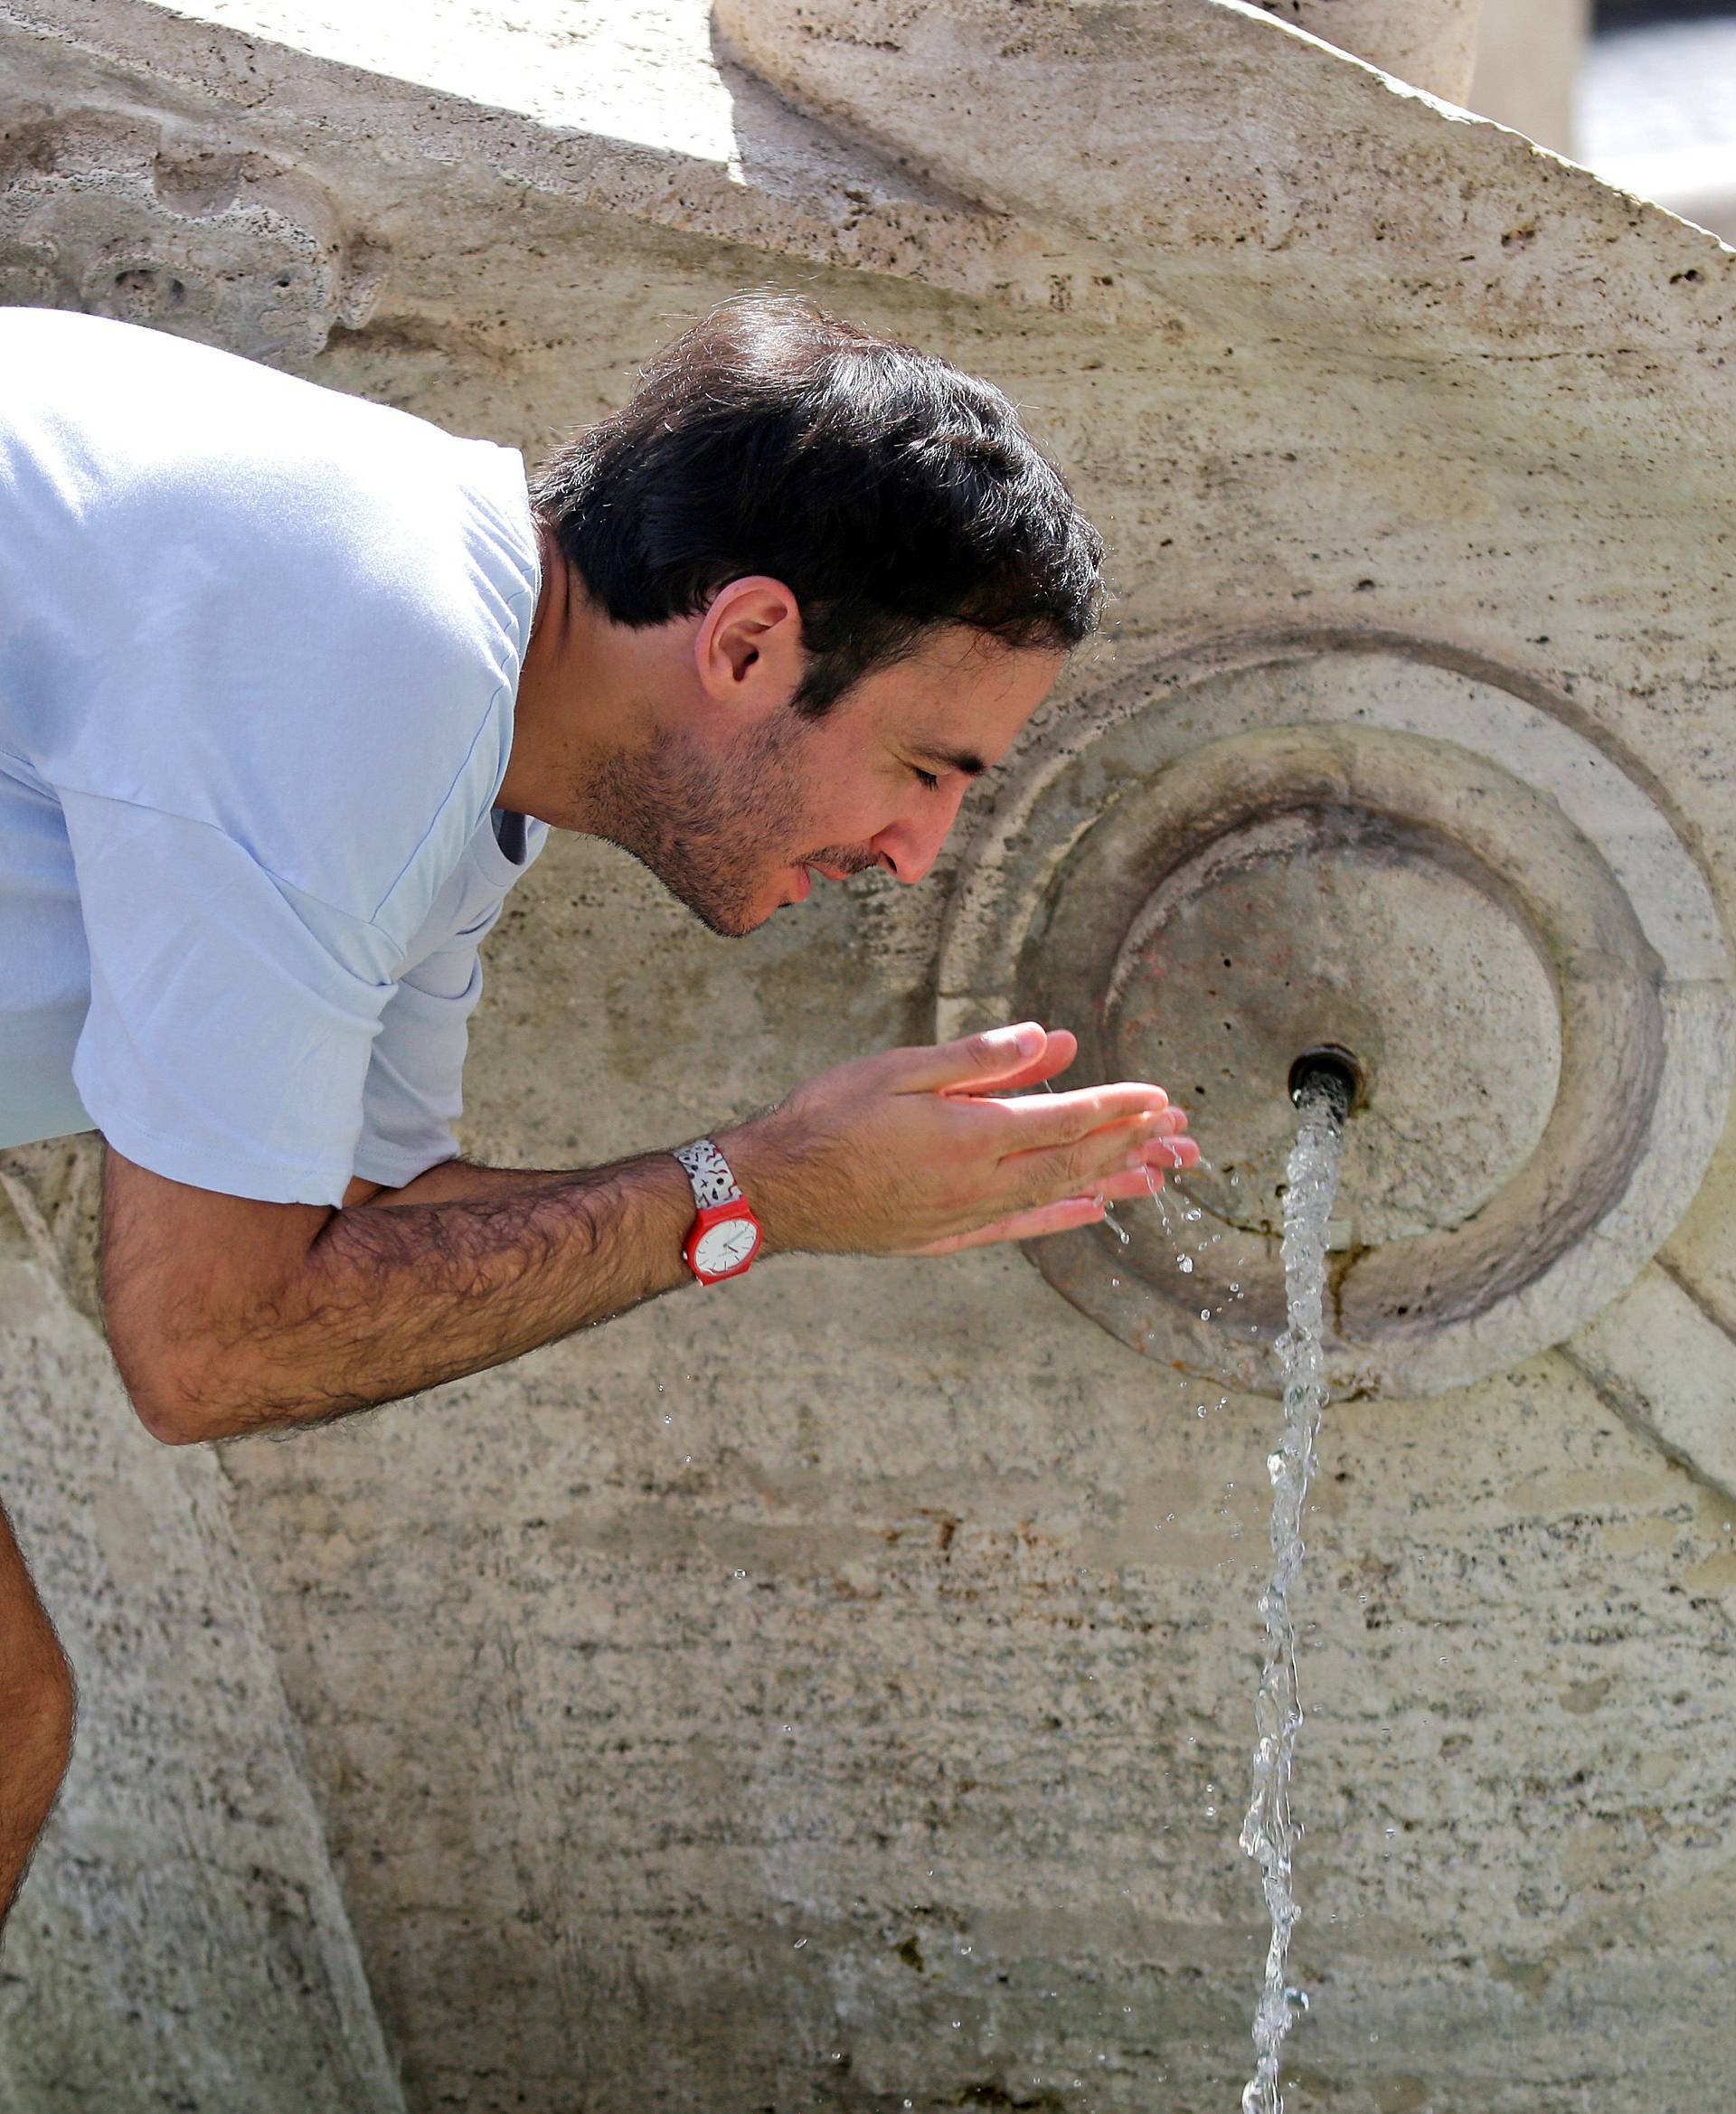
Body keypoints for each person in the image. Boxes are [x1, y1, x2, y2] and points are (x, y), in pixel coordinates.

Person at [0, 294, 1195, 1930]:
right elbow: (211, 1340)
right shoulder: (379, 659)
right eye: (925, 768)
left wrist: (793, 1192)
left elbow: (378, 1219)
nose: (918, 854)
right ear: (750, 641)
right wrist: (758, 1190)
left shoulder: (459, 690)